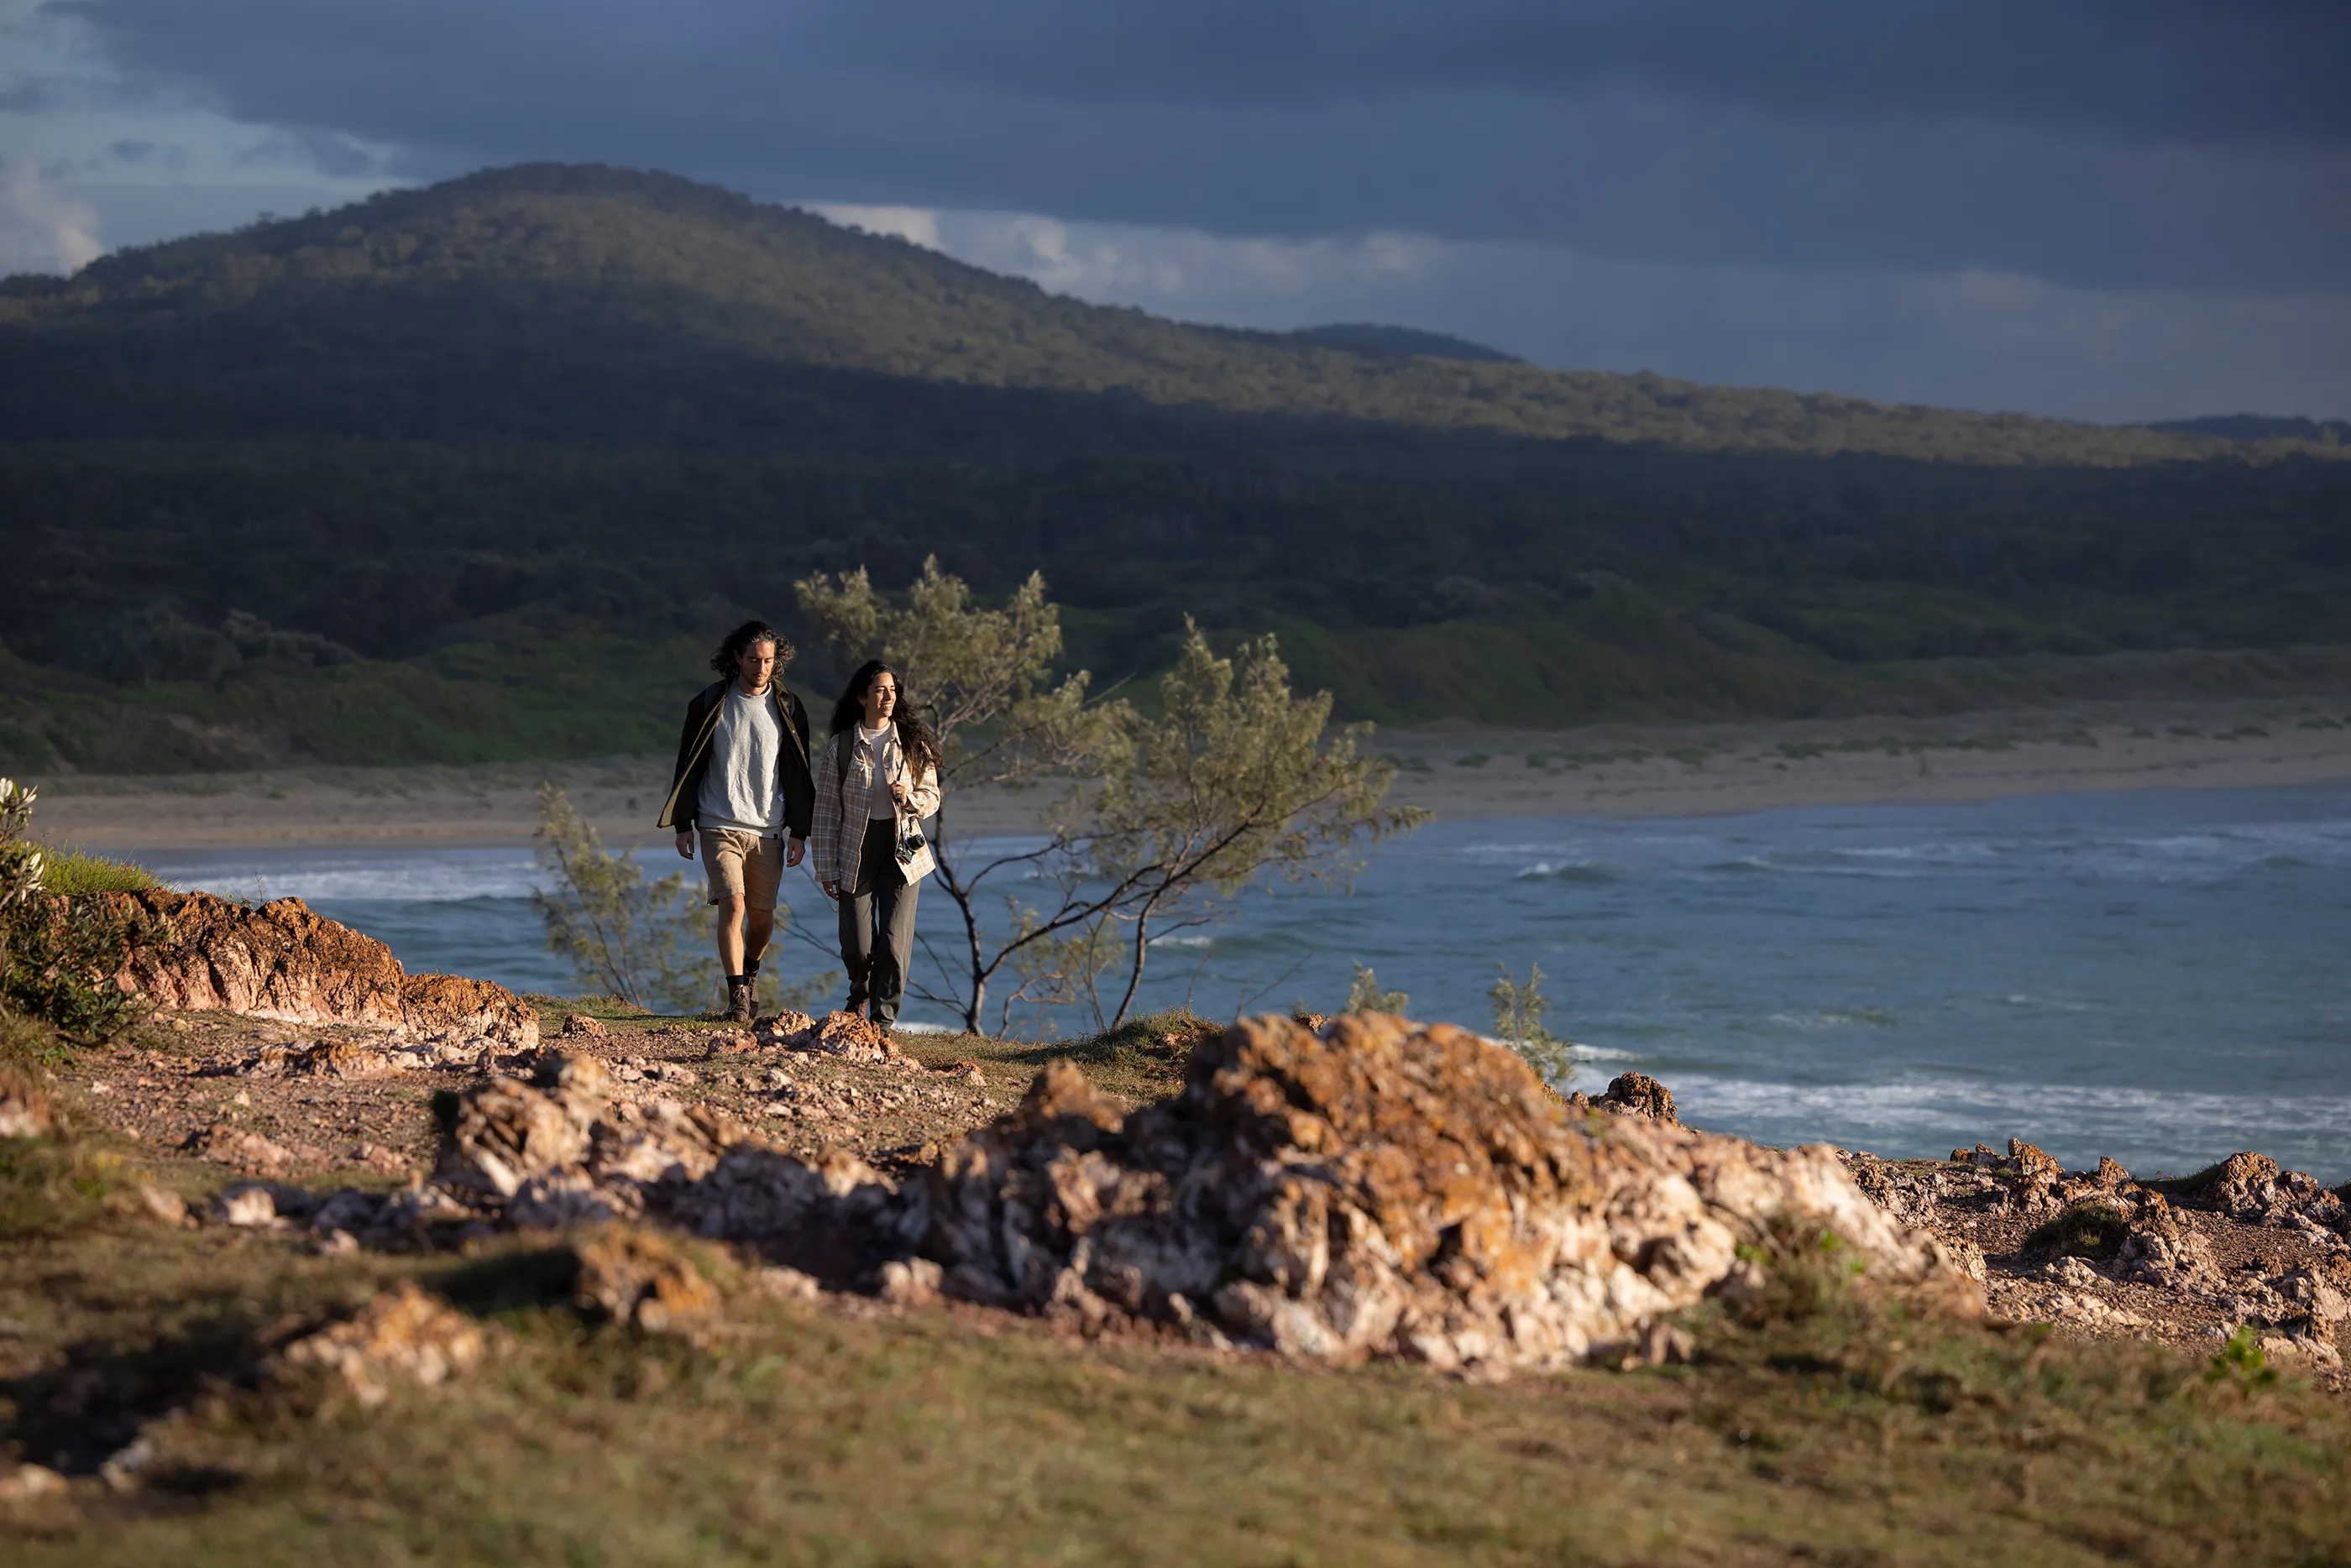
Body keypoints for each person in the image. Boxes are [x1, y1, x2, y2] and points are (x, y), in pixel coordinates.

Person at [656, 620, 815, 1023]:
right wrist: (682, 824)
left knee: (761, 920)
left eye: (767, 661)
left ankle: (751, 970)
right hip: (717, 822)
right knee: (733, 906)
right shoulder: (710, 702)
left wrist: (800, 830)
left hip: (768, 828)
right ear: (736, 659)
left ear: (777, 661)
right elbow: (687, 765)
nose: (761, 668)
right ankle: (738, 999)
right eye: (753, 660)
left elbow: (799, 771)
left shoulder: (790, 707)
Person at [810, 659, 942, 1029]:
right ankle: (859, 992)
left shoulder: (913, 743)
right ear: (862, 697)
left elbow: (932, 795)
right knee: (857, 946)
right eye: (880, 690)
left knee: (894, 941)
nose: (888, 697)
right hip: (856, 847)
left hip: (903, 851)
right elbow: (825, 811)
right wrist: (825, 868)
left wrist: (909, 798)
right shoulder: (842, 746)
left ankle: (883, 1018)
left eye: (892, 690)